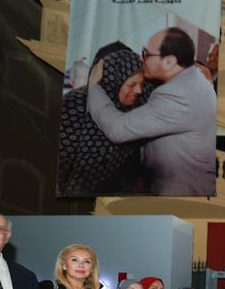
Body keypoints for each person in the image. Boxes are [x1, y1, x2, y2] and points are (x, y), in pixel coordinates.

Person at [86, 27, 217, 196]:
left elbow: (117, 130)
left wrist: (93, 87)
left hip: (180, 191)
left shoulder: (177, 94)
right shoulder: (193, 79)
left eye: (146, 54)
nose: (141, 58)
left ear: (169, 62)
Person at [58, 45, 154, 196]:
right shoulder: (75, 104)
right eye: (132, 84)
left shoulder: (137, 106)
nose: (139, 90)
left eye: (142, 84)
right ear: (114, 80)